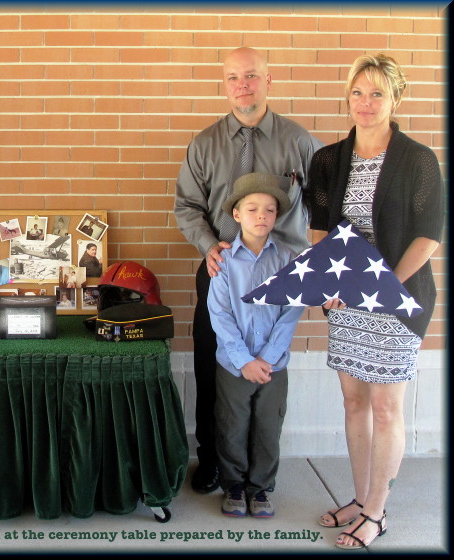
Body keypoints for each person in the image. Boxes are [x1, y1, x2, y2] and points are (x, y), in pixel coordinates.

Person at [173, 46, 323, 493]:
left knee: (268, 372)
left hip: (281, 277)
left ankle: (259, 471)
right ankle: (214, 461)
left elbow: (326, 208)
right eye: (234, 77)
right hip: (223, 271)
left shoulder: (300, 143)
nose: (243, 85)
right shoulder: (205, 144)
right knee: (213, 365)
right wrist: (206, 245)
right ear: (225, 85)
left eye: (252, 76)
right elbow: (186, 206)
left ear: (269, 81)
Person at [309, 54, 442, 550]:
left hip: (397, 296)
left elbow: (429, 236)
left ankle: (376, 514)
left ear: (396, 99)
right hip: (345, 299)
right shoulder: (328, 159)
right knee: (353, 401)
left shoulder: (418, 160)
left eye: (377, 93)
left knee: (386, 409)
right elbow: (320, 228)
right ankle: (360, 498)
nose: (366, 103)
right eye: (358, 92)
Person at [208, 172, 305, 519]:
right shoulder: (223, 263)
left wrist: (266, 357)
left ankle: (261, 487)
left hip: (273, 365)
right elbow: (219, 314)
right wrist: (244, 359)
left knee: (268, 425)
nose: (261, 215)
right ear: (237, 215)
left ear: (276, 216)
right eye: (252, 209)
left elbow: (291, 313)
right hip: (234, 364)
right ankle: (233, 484)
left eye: (269, 209)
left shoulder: (288, 261)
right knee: (232, 424)